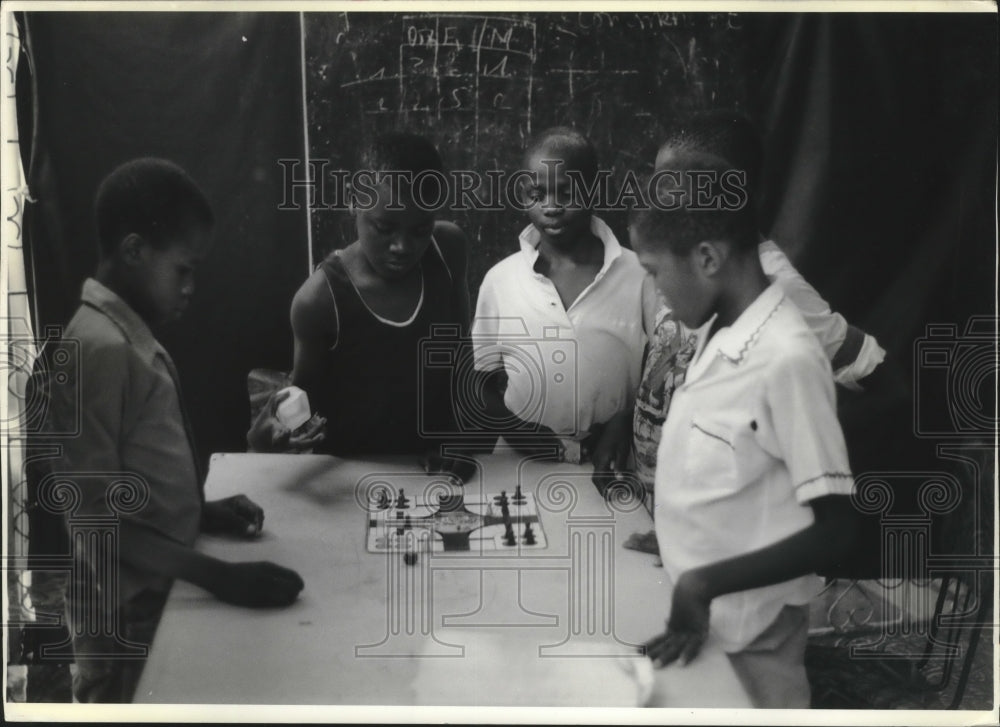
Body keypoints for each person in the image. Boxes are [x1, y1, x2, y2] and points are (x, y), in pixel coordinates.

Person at [45, 158, 304, 703]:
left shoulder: (121, 336)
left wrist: (198, 510)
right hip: (126, 621)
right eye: (183, 270)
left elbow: (130, 485)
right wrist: (221, 577)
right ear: (135, 251)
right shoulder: (98, 347)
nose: (191, 288)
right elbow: (95, 521)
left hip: (153, 593)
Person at [633, 152, 859, 708]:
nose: (657, 290)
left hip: (755, 638)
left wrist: (701, 582)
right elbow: (739, 472)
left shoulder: (786, 359)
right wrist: (681, 530)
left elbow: (838, 529)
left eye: (655, 271)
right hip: (710, 626)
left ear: (707, 257)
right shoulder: (721, 331)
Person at [630, 111, 886, 499]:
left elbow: (883, 381)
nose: (659, 201)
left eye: (675, 188)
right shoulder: (673, 264)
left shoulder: (776, 285)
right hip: (662, 512)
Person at [247, 133, 471, 464]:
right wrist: (266, 435)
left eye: (420, 230)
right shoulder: (320, 300)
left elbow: (462, 357)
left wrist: (460, 438)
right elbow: (300, 405)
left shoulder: (448, 249)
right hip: (354, 479)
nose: (402, 247)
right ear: (355, 199)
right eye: (384, 227)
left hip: (435, 468)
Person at [470, 127, 646, 469]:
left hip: (614, 463)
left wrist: (624, 420)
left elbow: (664, 377)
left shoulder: (640, 276)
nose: (550, 207)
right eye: (537, 194)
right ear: (523, 195)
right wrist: (513, 427)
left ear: (594, 191)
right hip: (521, 464)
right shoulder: (501, 280)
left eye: (566, 193)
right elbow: (482, 382)